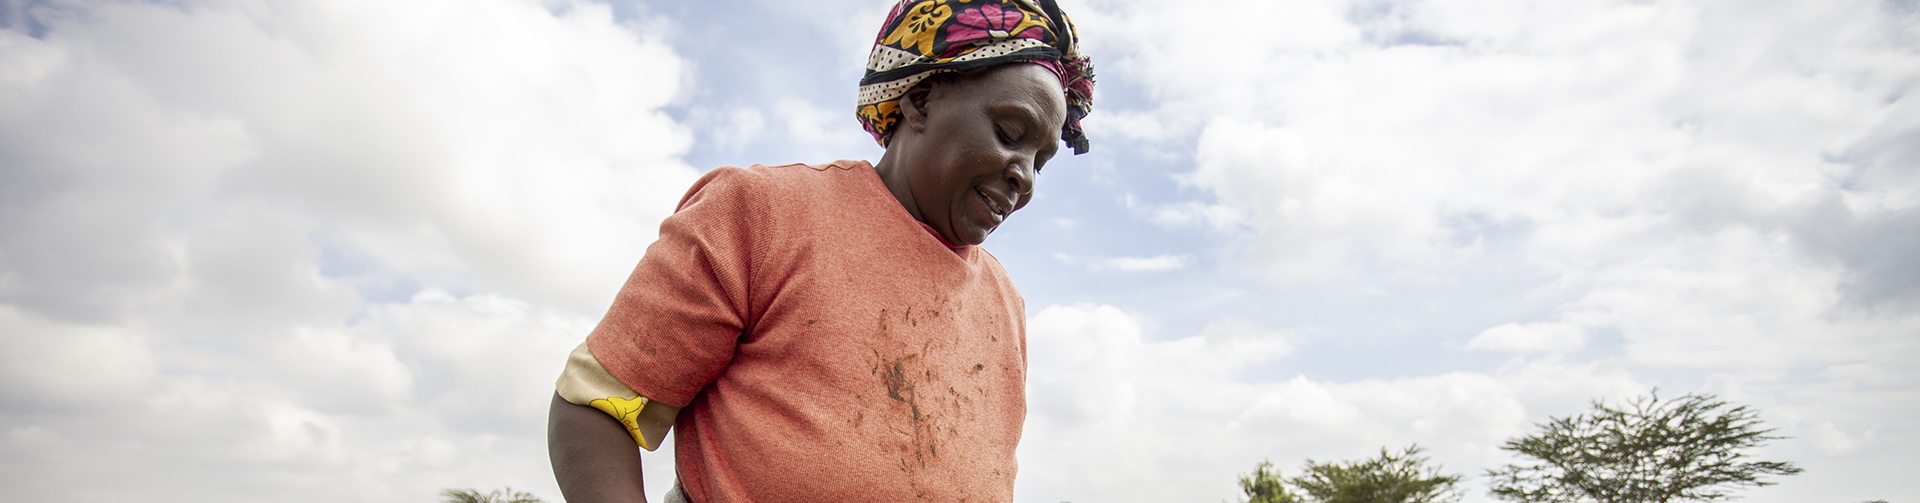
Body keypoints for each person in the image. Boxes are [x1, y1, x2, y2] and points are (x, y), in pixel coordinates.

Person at [546, 1, 1094, 501]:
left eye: (1041, 160)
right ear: (921, 101)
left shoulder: (1005, 303)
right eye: (1008, 131)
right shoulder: (762, 213)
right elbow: (598, 407)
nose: (1023, 174)